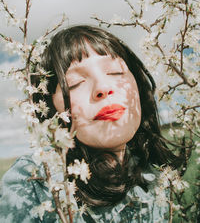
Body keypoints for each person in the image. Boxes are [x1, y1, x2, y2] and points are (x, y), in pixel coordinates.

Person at [0, 25, 178, 222]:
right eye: (75, 83)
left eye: (115, 71)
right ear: (50, 110)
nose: (102, 87)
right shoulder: (36, 182)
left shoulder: (157, 177)